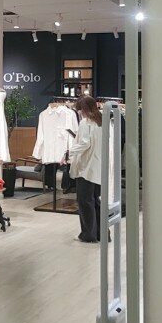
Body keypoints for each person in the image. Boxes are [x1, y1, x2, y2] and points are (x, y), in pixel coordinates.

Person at [66, 95, 102, 243]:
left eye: (80, 110)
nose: (79, 113)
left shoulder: (85, 123)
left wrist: (69, 152)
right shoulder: (102, 122)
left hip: (85, 168)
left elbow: (84, 143)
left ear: (85, 109)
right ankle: (101, 233)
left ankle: (88, 234)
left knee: (85, 202)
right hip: (98, 167)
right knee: (95, 201)